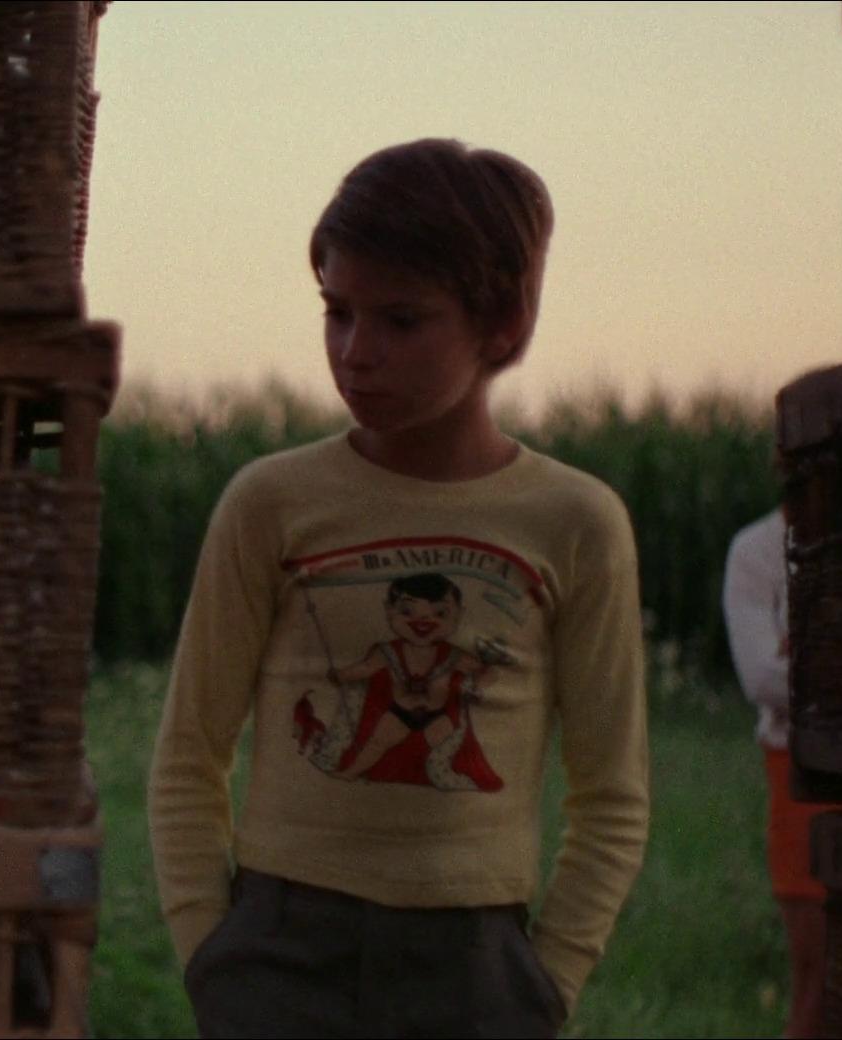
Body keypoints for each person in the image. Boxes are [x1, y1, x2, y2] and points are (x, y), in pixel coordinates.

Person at [150, 138, 650, 1037]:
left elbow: (612, 793)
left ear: (502, 324)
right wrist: (211, 955)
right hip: (278, 950)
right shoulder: (270, 503)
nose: (356, 352)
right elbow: (189, 753)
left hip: (474, 965)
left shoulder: (576, 521)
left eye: (401, 320)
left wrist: (546, 983)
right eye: (337, 313)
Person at [724, 506, 837, 1038]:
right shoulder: (757, 551)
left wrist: (810, 665)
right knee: (820, 988)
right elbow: (764, 678)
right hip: (802, 780)